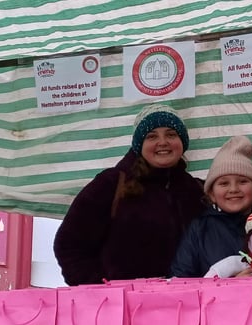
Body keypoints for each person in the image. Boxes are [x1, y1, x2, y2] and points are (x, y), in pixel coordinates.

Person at [53, 104, 205, 284]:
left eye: (171, 134)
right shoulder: (111, 184)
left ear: (183, 142)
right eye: (152, 136)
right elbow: (69, 245)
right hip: (121, 307)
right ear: (139, 145)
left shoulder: (197, 190)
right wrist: (99, 288)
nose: (162, 142)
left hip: (187, 303)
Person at [170, 135, 252, 278]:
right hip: (214, 300)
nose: (233, 189)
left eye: (243, 181)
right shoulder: (200, 229)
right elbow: (180, 280)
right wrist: (231, 286)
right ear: (212, 194)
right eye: (224, 183)